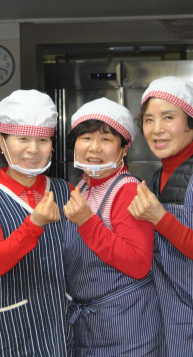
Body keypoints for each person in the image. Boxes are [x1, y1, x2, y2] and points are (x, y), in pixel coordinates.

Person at [128, 77, 193, 357]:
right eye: (148, 120)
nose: (156, 129)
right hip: (167, 320)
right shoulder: (159, 177)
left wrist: (160, 219)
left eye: (168, 117)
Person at [0, 90, 72, 357]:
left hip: (58, 322)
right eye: (22, 138)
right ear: (0, 141)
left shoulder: (65, 190)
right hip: (5, 326)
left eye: (43, 139)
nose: (33, 149)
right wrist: (34, 224)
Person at [63, 97, 161, 356]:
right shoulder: (83, 187)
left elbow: (139, 263)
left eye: (106, 139)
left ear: (124, 148)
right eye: (85, 138)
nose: (93, 148)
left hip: (127, 326)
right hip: (90, 324)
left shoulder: (127, 190)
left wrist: (87, 223)